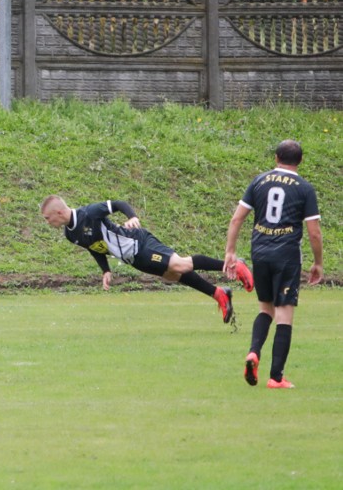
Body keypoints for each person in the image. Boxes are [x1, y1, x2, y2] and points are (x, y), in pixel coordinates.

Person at [41, 195, 254, 324]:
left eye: (47, 217)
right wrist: (105, 270)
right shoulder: (70, 234)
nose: (47, 221)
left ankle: (236, 265)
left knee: (180, 264)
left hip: (138, 243)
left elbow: (118, 203)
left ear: (58, 212)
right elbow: (94, 248)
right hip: (132, 258)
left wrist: (131, 216)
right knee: (173, 275)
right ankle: (219, 294)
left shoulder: (89, 213)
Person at [224, 140, 322, 389]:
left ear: (276, 156)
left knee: (265, 309)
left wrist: (230, 252)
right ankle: (276, 377)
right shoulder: (304, 188)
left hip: (260, 253)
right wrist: (318, 262)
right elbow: (314, 233)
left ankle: (254, 352)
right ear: (300, 161)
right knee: (284, 315)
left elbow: (237, 220)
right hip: (286, 256)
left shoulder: (259, 181)